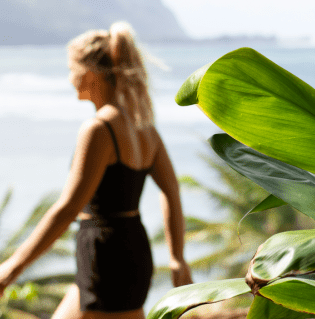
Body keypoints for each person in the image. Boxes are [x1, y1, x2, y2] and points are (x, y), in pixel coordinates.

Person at [0, 22, 192, 318]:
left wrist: (11, 268)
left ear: (90, 74)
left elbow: (67, 208)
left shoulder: (98, 129)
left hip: (105, 257)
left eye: (71, 69)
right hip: (130, 249)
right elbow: (172, 190)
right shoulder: (144, 127)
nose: (69, 78)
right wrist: (177, 257)